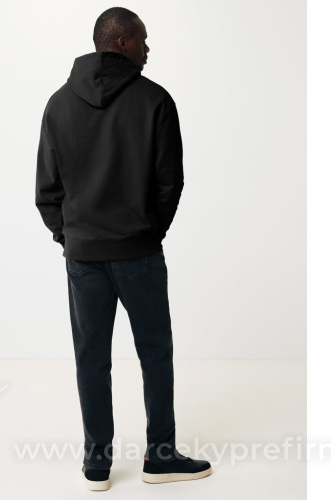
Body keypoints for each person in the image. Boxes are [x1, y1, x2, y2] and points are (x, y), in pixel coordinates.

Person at [35, 6, 212, 491]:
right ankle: (161, 458)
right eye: (142, 40)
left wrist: (71, 237)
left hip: (84, 258)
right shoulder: (155, 100)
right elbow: (170, 183)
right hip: (138, 254)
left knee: (91, 357)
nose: (148, 48)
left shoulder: (58, 104)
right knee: (155, 352)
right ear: (121, 42)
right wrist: (147, 233)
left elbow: (46, 189)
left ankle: (97, 465)